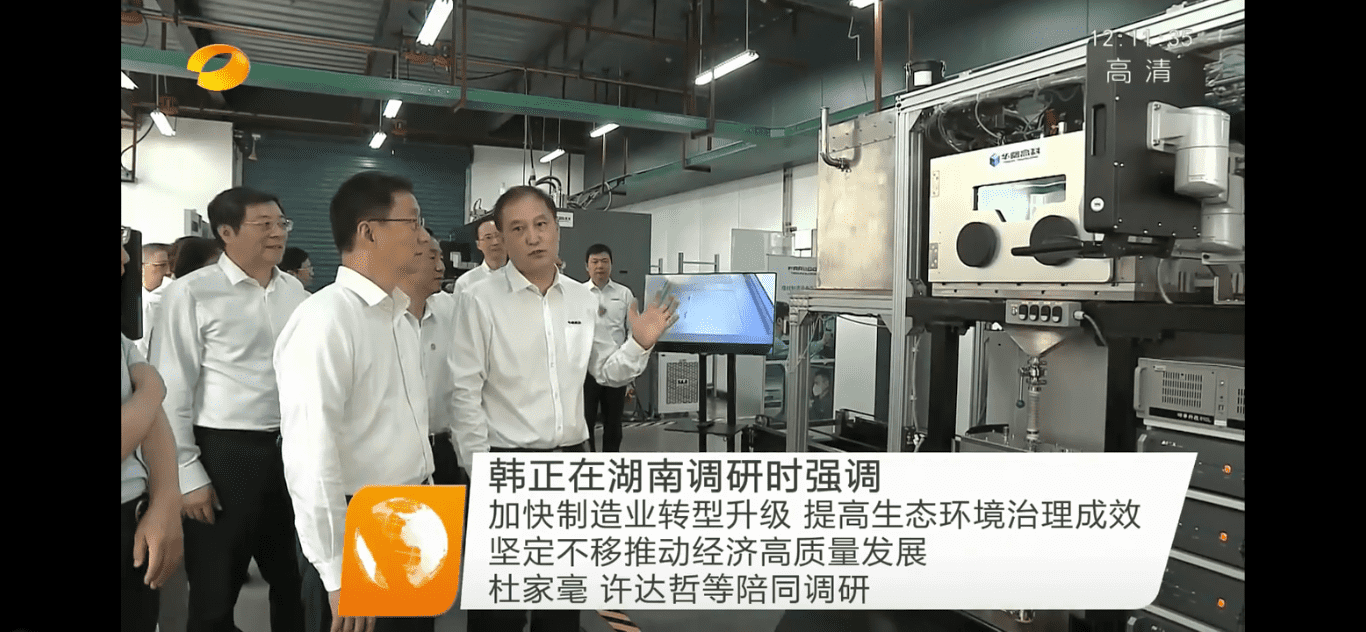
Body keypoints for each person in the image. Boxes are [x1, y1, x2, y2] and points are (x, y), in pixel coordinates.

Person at [449, 186, 678, 632]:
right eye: (518, 229)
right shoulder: (478, 299)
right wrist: (482, 475)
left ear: (556, 229)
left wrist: (639, 343)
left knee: (560, 606)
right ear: (502, 238)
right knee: (498, 613)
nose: (533, 237)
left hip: (571, 465)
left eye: (541, 225)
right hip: (507, 466)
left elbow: (605, 371)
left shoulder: (580, 299)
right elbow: (463, 393)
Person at [274, 171, 436, 632]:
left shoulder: (399, 316)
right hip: (360, 523)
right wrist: (337, 567)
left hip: (412, 513)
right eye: (412, 221)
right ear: (368, 231)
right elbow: (310, 456)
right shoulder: (326, 320)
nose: (424, 237)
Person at [151, 188, 310, 632]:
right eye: (264, 225)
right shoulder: (191, 293)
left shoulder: (294, 292)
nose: (278, 233)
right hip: (224, 455)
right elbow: (171, 390)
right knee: (215, 590)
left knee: (293, 580)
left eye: (282, 223)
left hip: (290, 451)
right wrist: (188, 475)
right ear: (226, 232)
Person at [122, 224, 185, 632]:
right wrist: (150, 389)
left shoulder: (121, 340)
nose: (126, 257)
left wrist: (164, 500)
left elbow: (154, 424)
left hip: (133, 513)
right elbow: (153, 397)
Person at [398, 229, 465, 486]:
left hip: (444, 450)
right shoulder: (381, 316)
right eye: (432, 258)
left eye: (441, 258)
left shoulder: (451, 309)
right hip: (397, 455)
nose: (441, 267)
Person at [581, 244, 637, 453]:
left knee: (613, 424)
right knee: (584, 423)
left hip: (615, 368)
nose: (600, 266)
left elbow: (632, 333)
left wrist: (629, 376)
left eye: (604, 261)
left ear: (611, 265)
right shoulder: (577, 294)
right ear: (587, 266)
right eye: (595, 262)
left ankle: (609, 464)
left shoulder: (624, 294)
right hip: (586, 370)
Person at [137, 243, 173, 357]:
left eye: (171, 265)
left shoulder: (175, 295)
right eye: (161, 265)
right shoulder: (129, 299)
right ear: (141, 267)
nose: (168, 272)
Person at [454, 214, 506, 292]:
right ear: (478, 244)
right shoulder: (465, 283)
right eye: (488, 237)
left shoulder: (522, 277)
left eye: (498, 236)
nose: (495, 242)